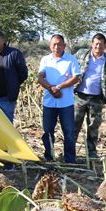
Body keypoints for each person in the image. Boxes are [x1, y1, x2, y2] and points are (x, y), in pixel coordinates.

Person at [73, 33, 106, 159]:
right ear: (92, 44)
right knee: (74, 124)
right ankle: (70, 152)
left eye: (100, 44)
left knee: (94, 126)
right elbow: (71, 66)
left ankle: (92, 152)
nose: (98, 46)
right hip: (80, 95)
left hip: (97, 97)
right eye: (96, 44)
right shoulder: (81, 55)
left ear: (105, 46)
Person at [37, 34, 81, 163]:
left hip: (66, 103)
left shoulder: (71, 59)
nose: (56, 47)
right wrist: (52, 89)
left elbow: (76, 77)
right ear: (50, 46)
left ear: (64, 46)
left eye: (59, 44)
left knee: (68, 132)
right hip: (49, 102)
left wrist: (59, 87)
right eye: (54, 44)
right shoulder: (45, 60)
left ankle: (70, 160)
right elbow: (40, 77)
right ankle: (49, 158)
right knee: (47, 131)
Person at [0, 29, 29, 123]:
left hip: (6, 98)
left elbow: (23, 73)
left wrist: (13, 83)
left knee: (6, 125)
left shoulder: (14, 53)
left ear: (3, 40)